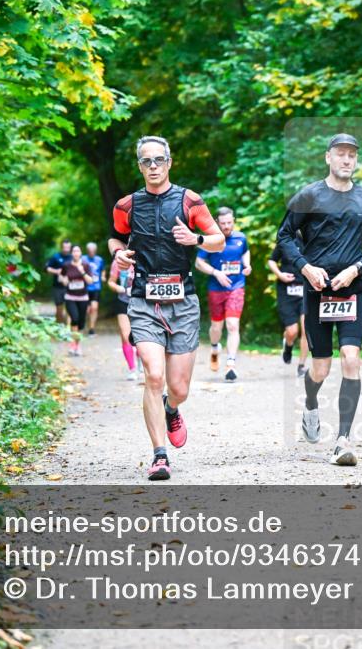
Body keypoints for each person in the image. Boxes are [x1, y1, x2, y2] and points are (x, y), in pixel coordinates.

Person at [108, 135, 225, 481]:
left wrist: (197, 239)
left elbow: (218, 240)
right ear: (140, 166)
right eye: (147, 161)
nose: (153, 166)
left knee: (179, 388)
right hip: (144, 300)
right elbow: (114, 237)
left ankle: (171, 409)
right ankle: (159, 455)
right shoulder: (127, 205)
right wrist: (118, 253)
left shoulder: (190, 200)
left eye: (159, 159)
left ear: (169, 162)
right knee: (154, 375)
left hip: (183, 302)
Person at [277, 133, 362, 466]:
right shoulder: (309, 195)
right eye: (340, 154)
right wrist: (305, 267)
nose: (346, 159)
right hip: (317, 292)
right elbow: (284, 237)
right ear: (328, 157)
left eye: (352, 154)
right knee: (321, 368)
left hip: (352, 290)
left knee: (351, 358)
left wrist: (355, 269)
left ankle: (343, 440)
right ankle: (311, 402)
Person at [195, 207, 251, 382]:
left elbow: (245, 252)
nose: (226, 226)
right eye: (223, 223)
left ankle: (230, 364)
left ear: (233, 221)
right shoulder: (212, 240)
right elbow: (198, 262)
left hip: (236, 287)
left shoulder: (241, 238)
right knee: (216, 327)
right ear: (217, 222)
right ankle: (214, 347)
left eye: (229, 222)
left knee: (233, 325)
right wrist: (216, 273)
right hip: (216, 289)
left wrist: (247, 265)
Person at [269, 236, 309, 376]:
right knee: (292, 331)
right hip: (286, 291)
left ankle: (301, 366)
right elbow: (272, 260)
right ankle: (288, 344)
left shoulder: (314, 239)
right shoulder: (287, 240)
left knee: (307, 329)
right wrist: (279, 274)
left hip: (306, 290)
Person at [107, 260, 141, 381]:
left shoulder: (145, 257)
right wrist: (118, 288)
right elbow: (111, 282)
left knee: (141, 337)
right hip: (123, 302)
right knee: (126, 336)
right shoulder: (118, 261)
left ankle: (140, 359)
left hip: (142, 303)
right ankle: (132, 369)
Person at [60, 245, 96, 356]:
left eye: (78, 251)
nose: (76, 253)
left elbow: (90, 281)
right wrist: (64, 280)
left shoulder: (86, 265)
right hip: (70, 297)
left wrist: (82, 272)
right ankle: (73, 345)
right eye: (74, 251)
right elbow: (61, 277)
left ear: (80, 253)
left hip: (83, 297)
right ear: (72, 253)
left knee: (81, 323)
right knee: (74, 319)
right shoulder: (66, 265)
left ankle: (77, 344)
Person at [45, 240, 72, 324]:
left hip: (70, 287)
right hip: (58, 287)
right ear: (61, 247)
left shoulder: (72, 257)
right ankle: (59, 326)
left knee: (70, 307)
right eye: (64, 247)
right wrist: (57, 271)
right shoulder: (56, 257)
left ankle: (69, 328)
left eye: (68, 247)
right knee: (59, 308)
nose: (66, 249)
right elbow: (46, 268)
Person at [84, 242, 105, 336]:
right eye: (90, 251)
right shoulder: (83, 259)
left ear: (95, 251)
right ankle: (83, 325)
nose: (91, 252)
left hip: (96, 287)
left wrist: (103, 276)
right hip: (85, 287)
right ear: (87, 251)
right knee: (87, 310)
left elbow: (103, 270)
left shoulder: (99, 259)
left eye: (93, 251)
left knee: (94, 308)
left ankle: (91, 329)